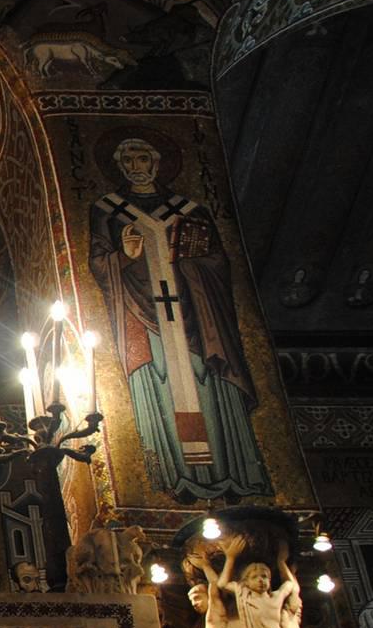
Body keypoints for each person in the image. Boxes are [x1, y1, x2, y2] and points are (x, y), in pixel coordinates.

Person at [89, 133, 270, 500]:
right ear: (118, 166)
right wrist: (125, 255)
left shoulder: (190, 210)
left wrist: (189, 265)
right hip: (141, 314)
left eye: (143, 159)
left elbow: (218, 262)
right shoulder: (107, 210)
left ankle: (230, 474)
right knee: (156, 379)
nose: (136, 167)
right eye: (128, 161)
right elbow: (99, 263)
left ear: (157, 163)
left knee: (207, 380)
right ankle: (172, 478)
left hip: (196, 315)